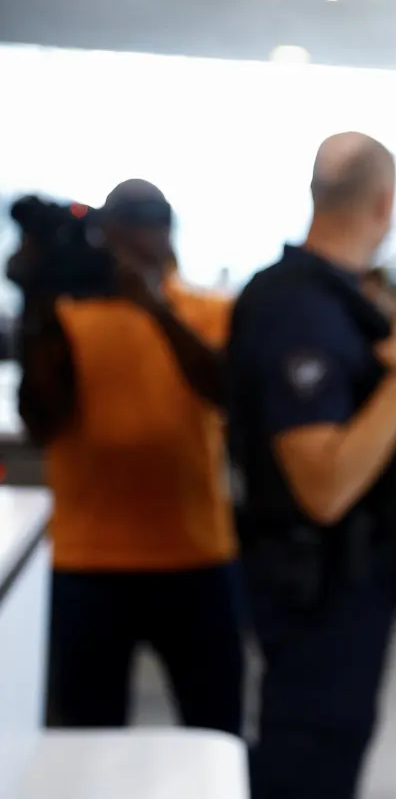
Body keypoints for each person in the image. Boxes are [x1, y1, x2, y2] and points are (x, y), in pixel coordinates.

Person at [227, 132, 396, 799]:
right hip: (316, 591)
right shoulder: (301, 307)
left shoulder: (332, 299)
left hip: (343, 584)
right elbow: (323, 487)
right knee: (308, 764)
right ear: (385, 201)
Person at [15, 180, 244, 734]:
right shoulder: (65, 315)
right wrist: (39, 309)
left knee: (215, 730)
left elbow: (226, 387)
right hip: (88, 560)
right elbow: (42, 420)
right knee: (84, 739)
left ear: (168, 238)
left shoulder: (207, 310)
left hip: (195, 555)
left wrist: (155, 308)